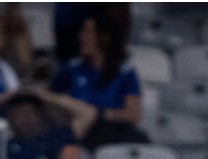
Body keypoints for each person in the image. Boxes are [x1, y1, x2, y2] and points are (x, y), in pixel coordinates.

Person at [50, 10, 146, 148]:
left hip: (113, 135)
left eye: (87, 32)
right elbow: (53, 101)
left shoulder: (126, 74)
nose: (81, 36)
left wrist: (95, 113)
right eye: (82, 31)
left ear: (104, 38)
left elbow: (132, 115)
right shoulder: (70, 69)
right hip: (77, 133)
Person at [0, 91, 94, 159]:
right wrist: (2, 96)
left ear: (42, 115)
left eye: (32, 112)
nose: (27, 118)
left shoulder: (55, 137)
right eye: (20, 114)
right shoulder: (1, 146)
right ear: (10, 118)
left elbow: (88, 114)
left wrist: (48, 96)